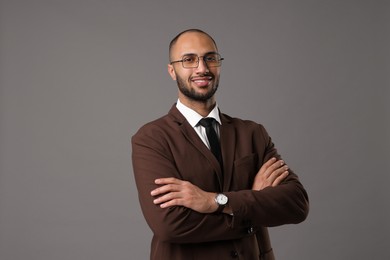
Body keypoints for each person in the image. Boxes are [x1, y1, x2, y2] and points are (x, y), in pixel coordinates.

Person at [131, 29, 309, 260]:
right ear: (172, 71)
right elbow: (170, 225)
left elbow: (296, 204)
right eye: (189, 59)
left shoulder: (253, 133)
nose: (202, 68)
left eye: (210, 58)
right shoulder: (152, 138)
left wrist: (214, 201)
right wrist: (250, 206)